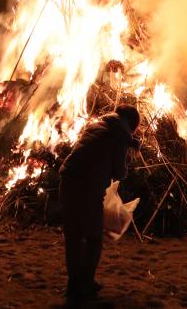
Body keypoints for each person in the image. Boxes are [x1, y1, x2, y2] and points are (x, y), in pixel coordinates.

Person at [59, 104, 140, 303]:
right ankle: (85, 283)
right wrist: (128, 153)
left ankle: (74, 283)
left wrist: (127, 144)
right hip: (87, 188)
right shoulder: (120, 137)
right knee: (94, 238)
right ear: (131, 125)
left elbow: (99, 146)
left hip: (67, 179)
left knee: (74, 236)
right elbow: (120, 173)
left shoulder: (96, 125)